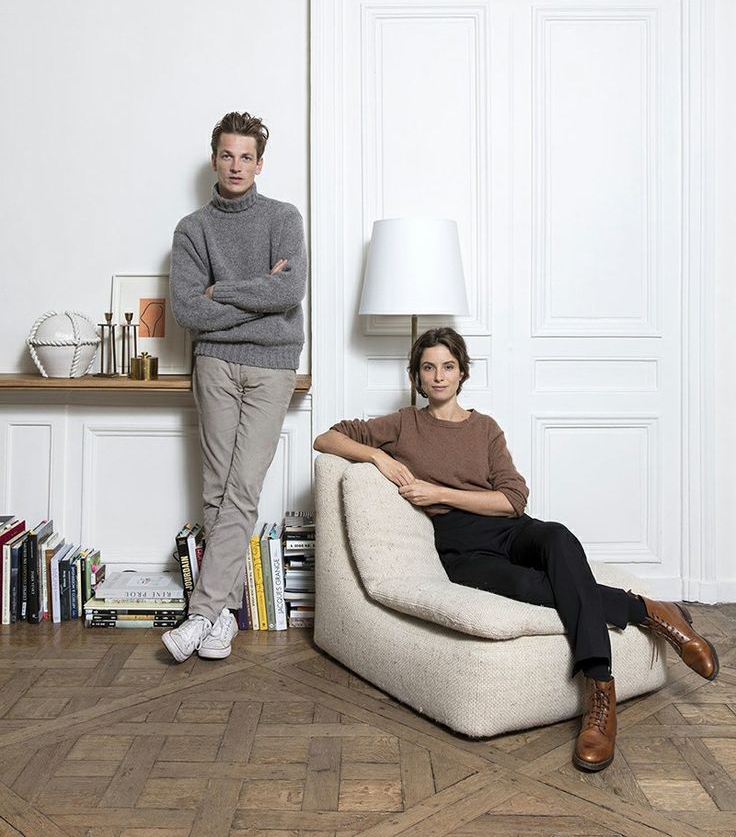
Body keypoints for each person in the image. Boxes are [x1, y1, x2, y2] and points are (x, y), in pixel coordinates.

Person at [313, 327, 718, 772]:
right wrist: (379, 457)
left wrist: (440, 493)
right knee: (534, 586)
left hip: (508, 528)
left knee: (558, 536)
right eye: (428, 367)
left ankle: (599, 682)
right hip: (463, 549)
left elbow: (512, 499)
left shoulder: (485, 429)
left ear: (462, 372)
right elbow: (326, 438)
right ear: (416, 375)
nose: (438, 376)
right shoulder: (403, 424)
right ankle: (645, 619)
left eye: (448, 366)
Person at [163, 111, 306, 663]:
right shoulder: (192, 229)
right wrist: (257, 295)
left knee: (243, 487)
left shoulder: (284, 217)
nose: (236, 165)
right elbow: (188, 309)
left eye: (247, 157)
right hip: (215, 365)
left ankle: (200, 614)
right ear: (215, 158)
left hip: (273, 367)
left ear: (260, 163)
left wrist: (223, 292)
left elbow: (290, 292)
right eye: (227, 155)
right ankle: (224, 613)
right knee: (217, 490)